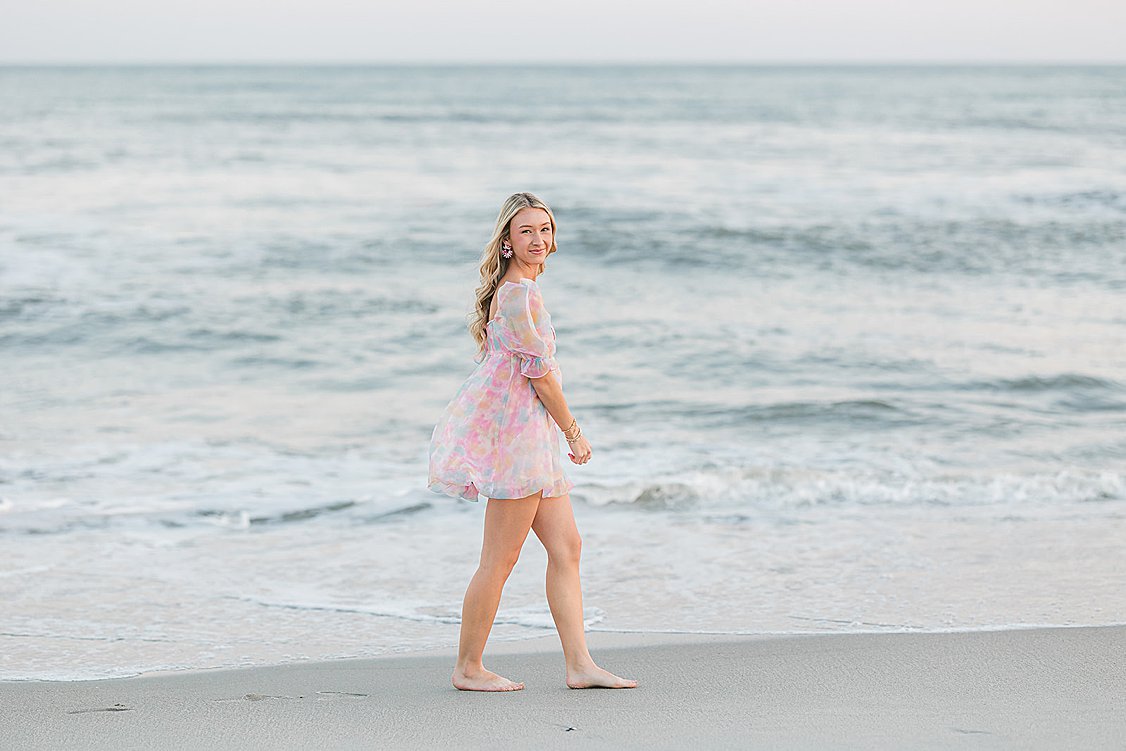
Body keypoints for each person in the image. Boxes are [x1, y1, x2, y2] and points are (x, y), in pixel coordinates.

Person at [428, 192, 638, 692]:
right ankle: (468, 668)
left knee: (567, 548)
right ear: (507, 241)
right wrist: (574, 432)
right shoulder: (520, 295)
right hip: (520, 442)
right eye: (526, 231)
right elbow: (540, 376)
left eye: (545, 229)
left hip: (529, 437)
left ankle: (580, 665)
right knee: (498, 561)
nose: (538, 239)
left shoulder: (517, 291)